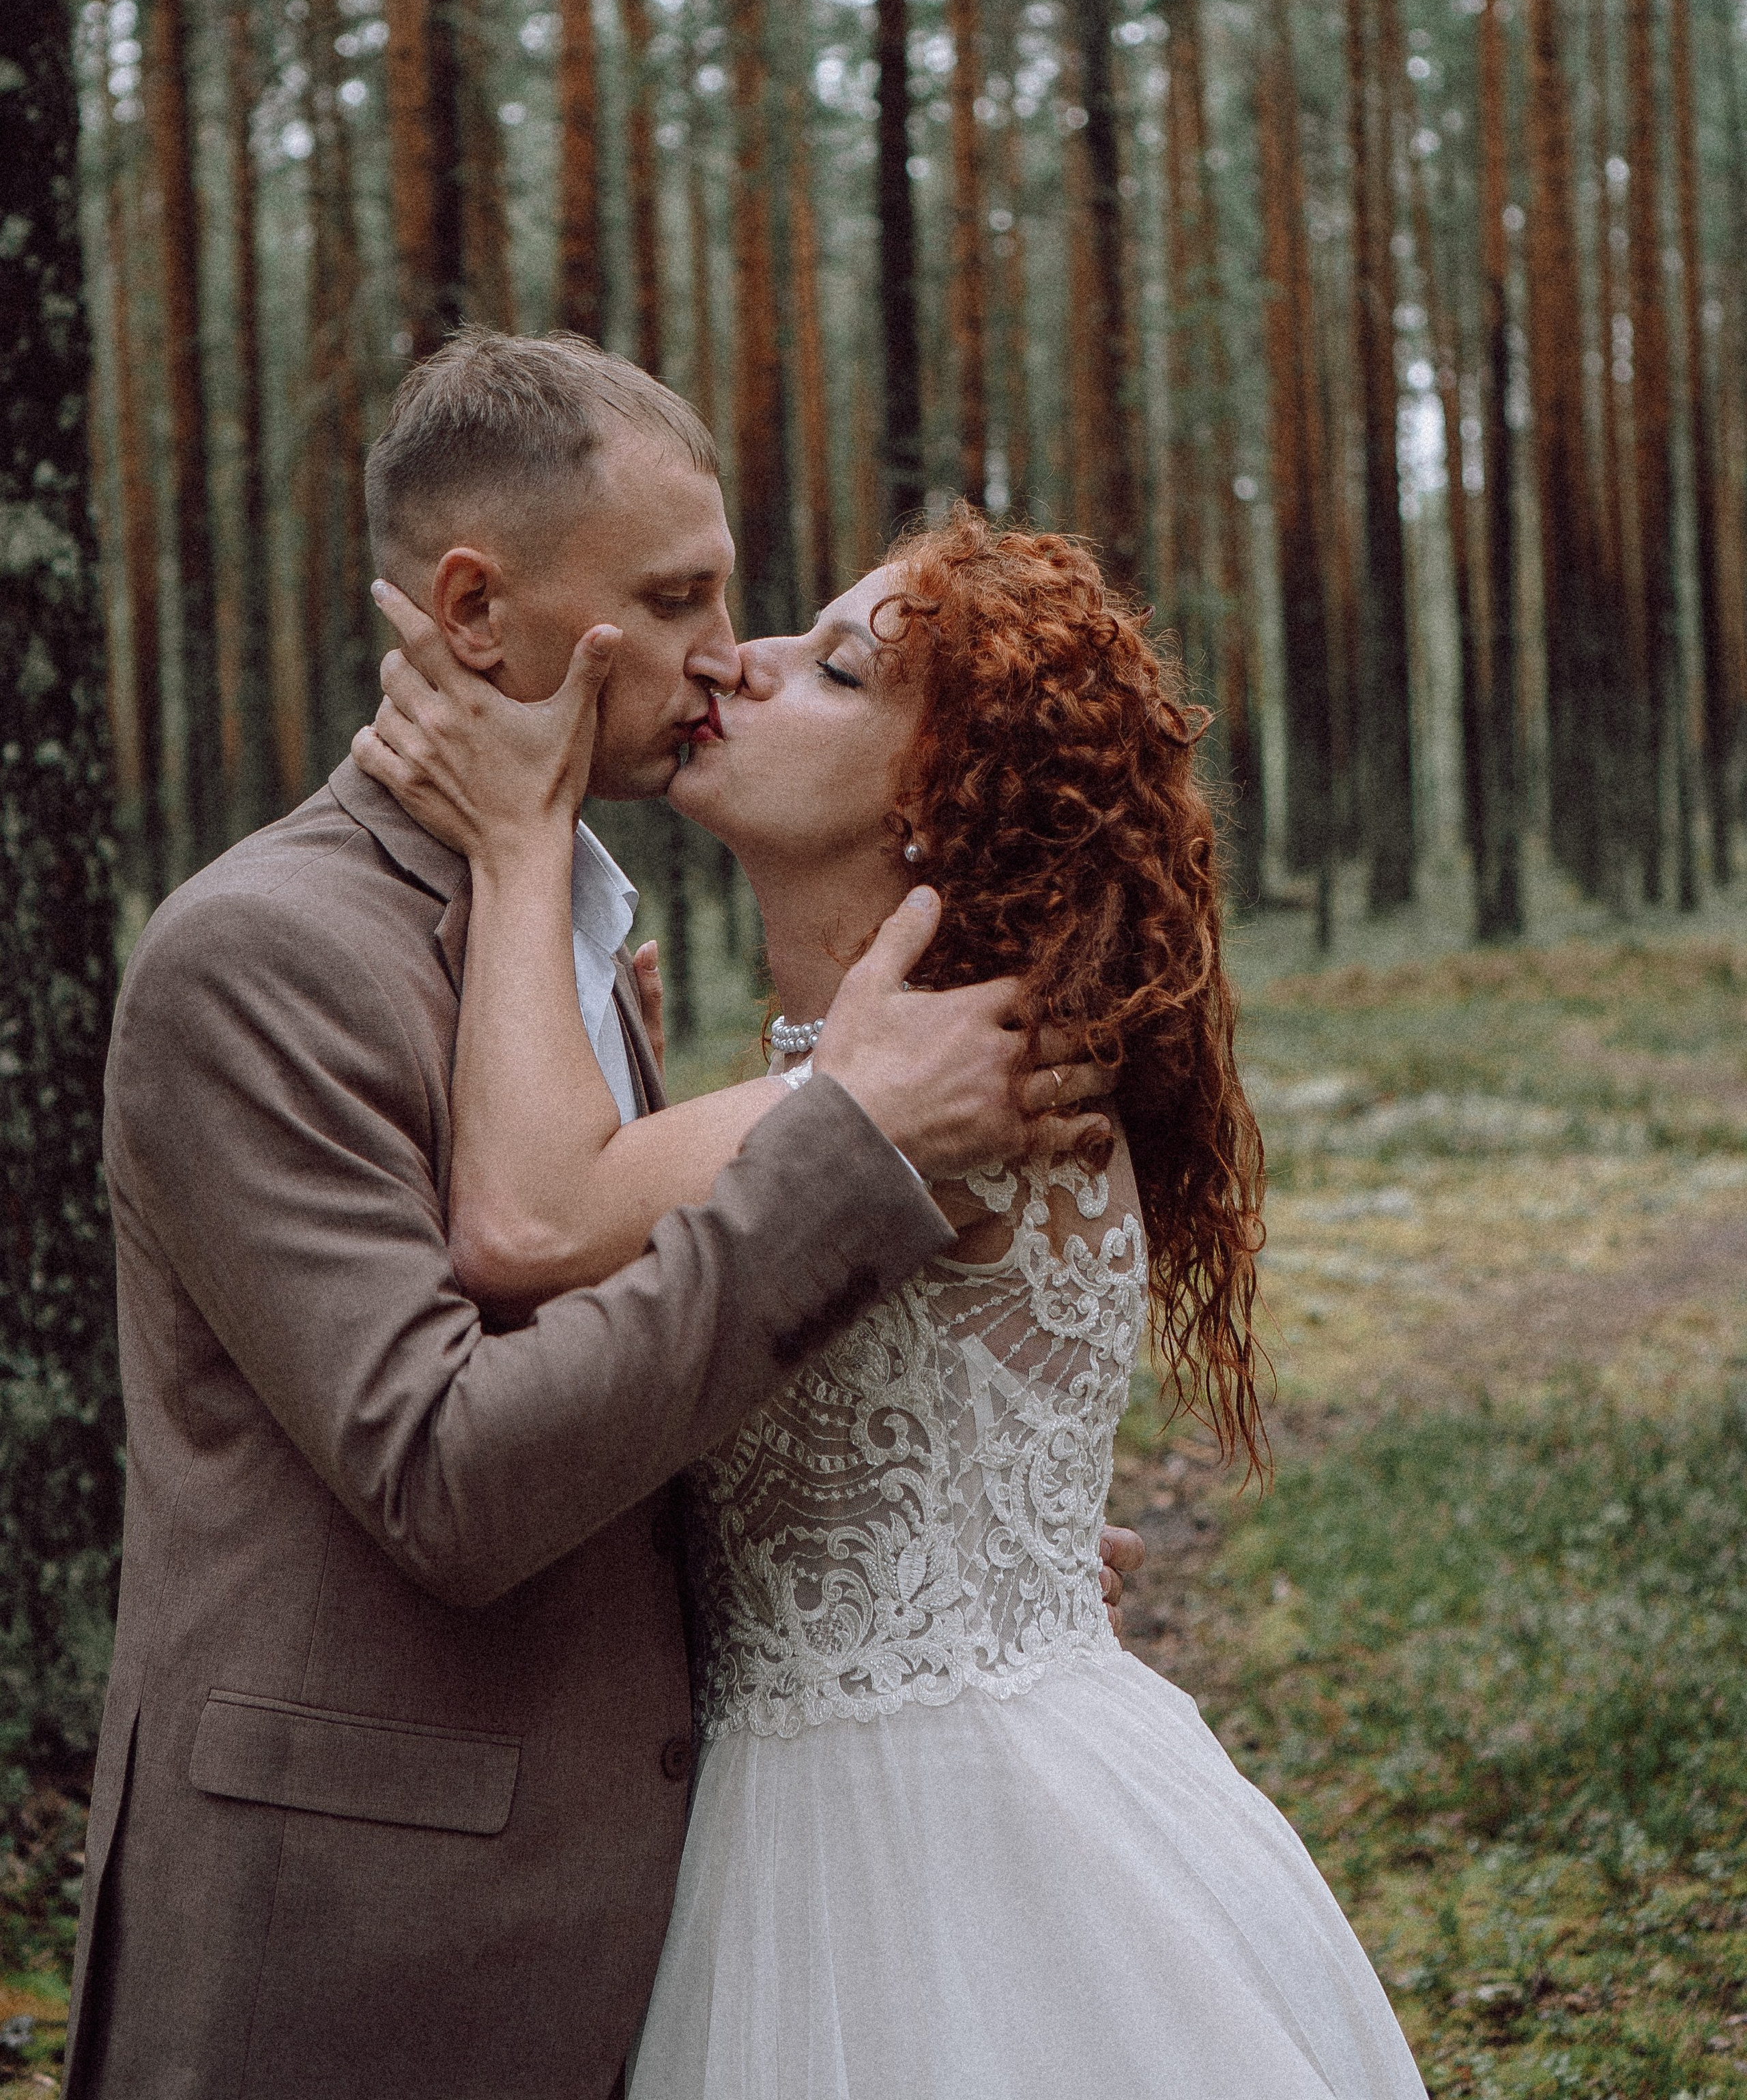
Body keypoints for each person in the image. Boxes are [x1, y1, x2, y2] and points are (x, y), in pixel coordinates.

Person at [63, 332, 1130, 2100]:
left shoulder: (572, 951)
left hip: (636, 1915)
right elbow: (449, 1472)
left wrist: (918, 1534)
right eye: (676, 593)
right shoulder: (256, 960)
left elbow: (624, 1375)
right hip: (351, 1952)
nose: (727, 645)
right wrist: (843, 1150)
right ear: (478, 614)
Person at [356, 503, 1428, 2099]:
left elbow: (523, 1219)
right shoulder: (875, 1070)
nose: (742, 657)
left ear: (939, 803)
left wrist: (520, 844)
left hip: (926, 1841)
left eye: (836, 671)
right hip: (880, 1778)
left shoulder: (959, 1074)